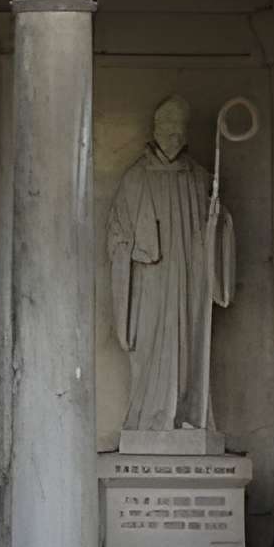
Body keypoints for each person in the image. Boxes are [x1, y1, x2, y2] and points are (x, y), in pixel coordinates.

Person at [106, 95, 235, 434]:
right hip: (151, 280)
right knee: (151, 347)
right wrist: (139, 247)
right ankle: (149, 417)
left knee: (190, 344)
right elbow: (116, 234)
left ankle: (187, 414)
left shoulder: (200, 179)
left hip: (191, 279)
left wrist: (217, 219)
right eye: (167, 129)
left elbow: (218, 232)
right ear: (155, 129)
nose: (173, 137)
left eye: (179, 131)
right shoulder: (135, 179)